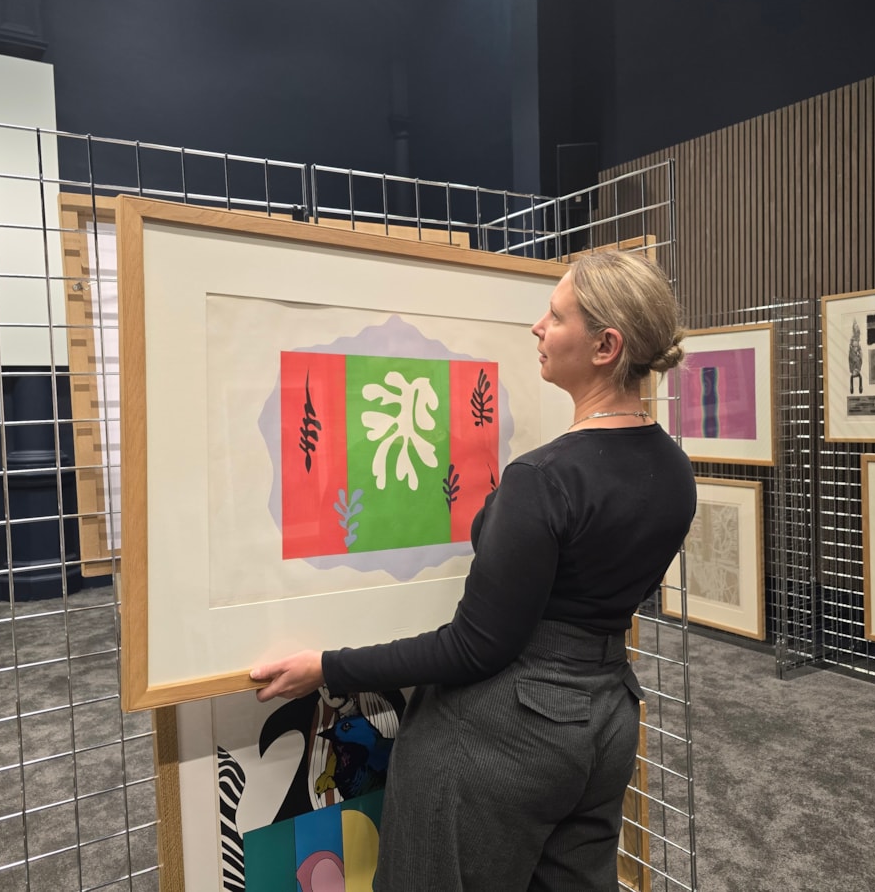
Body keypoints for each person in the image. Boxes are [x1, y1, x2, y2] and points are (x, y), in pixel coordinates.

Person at [251, 250, 698, 891]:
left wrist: (327, 667)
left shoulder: (542, 480)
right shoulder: (675, 471)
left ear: (606, 345)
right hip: (607, 723)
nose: (537, 327)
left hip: (505, 735)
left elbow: (475, 647)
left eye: (555, 315)